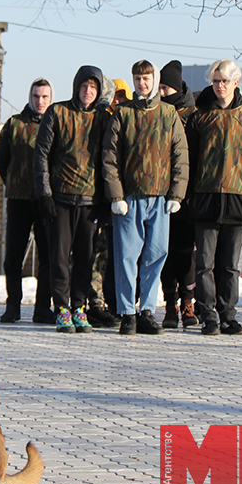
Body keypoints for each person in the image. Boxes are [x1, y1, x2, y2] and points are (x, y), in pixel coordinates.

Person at [185, 59, 242, 336]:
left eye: (224, 81)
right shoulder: (199, 118)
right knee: (205, 263)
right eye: (215, 81)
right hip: (205, 197)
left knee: (230, 264)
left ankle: (228, 315)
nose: (220, 86)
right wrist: (187, 195)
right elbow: (189, 159)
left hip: (238, 198)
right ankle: (208, 314)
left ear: (236, 82)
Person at [103, 60, 188, 335]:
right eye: (137, 79)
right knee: (127, 256)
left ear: (155, 80)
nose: (142, 83)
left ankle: (147, 311)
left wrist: (177, 192)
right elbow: (110, 156)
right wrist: (116, 195)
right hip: (129, 198)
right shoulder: (123, 113)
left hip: (161, 198)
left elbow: (180, 155)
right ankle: (127, 312)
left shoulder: (168, 113)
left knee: (156, 254)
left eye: (146, 78)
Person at [34, 66, 107, 334]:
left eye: (93, 87)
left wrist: (106, 199)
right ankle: (62, 308)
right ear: (76, 87)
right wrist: (45, 194)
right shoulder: (57, 112)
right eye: (84, 86)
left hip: (90, 200)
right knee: (59, 257)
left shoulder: (102, 117)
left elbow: (107, 159)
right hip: (61, 198)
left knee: (86, 257)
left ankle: (79, 307)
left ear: (98, 91)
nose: (88, 91)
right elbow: (41, 155)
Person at [0, 78, 54, 324]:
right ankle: (13, 306)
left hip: (45, 200)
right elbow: (2, 159)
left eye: (44, 97)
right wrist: (13, 181)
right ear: (30, 97)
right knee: (13, 257)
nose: (40, 101)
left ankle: (42, 309)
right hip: (18, 199)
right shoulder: (14, 124)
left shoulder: (55, 123)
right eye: (36, 96)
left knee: (48, 256)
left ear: (51, 99)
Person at [87, 78, 132, 328]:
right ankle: (94, 303)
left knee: (118, 256)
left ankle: (116, 304)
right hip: (97, 197)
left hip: (121, 199)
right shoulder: (101, 118)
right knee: (96, 253)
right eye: (115, 97)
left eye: (122, 97)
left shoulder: (128, 120)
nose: (118, 101)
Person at [158, 60, 200, 328]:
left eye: (166, 87)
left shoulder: (193, 114)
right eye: (159, 87)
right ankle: (170, 305)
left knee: (186, 252)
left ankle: (188, 303)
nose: (161, 93)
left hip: (187, 194)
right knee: (164, 252)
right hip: (160, 194)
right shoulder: (157, 113)